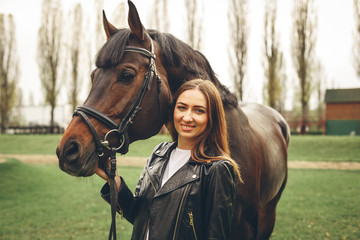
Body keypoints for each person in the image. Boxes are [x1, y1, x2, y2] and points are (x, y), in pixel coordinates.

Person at [95, 79, 241, 240]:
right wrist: (114, 182)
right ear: (173, 111)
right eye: (182, 107)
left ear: (212, 117)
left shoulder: (218, 168)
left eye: (199, 111)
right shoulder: (159, 152)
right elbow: (139, 216)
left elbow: (217, 235)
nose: (187, 117)